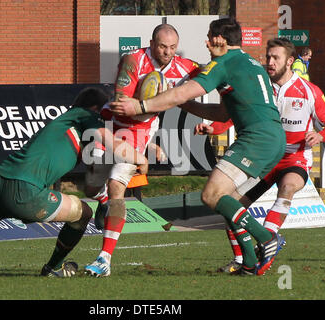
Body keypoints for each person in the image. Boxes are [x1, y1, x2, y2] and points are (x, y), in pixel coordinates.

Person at [110, 17, 287, 276]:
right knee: (230, 201)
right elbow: (223, 113)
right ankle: (249, 262)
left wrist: (141, 106)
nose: (206, 43)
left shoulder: (223, 63)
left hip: (256, 139)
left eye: (209, 37)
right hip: (272, 138)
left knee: (211, 195)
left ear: (219, 40)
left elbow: (185, 91)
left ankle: (267, 238)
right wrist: (182, 106)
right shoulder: (250, 63)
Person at [0, 87, 148, 278]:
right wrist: (139, 157)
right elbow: (110, 143)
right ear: (96, 109)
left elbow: (95, 163)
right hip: (24, 191)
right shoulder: (86, 116)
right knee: (83, 213)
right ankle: (52, 268)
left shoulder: (69, 126)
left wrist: (104, 197)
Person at [196, 38, 325, 274]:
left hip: (294, 158)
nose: (270, 62)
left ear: (290, 61)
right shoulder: (261, 85)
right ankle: (243, 259)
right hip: (264, 157)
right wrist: (215, 128)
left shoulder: (309, 90)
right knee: (229, 203)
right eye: (268, 57)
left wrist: (322, 135)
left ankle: (269, 241)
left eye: (276, 58)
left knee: (288, 187)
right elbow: (241, 114)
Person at [83, 23, 200, 277]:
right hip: (112, 124)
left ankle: (104, 259)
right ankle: (103, 202)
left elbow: (212, 77)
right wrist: (154, 101)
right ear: (151, 42)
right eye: (162, 46)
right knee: (91, 188)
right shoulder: (133, 60)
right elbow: (119, 102)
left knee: (117, 186)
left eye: (172, 47)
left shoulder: (185, 67)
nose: (167, 52)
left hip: (138, 133)